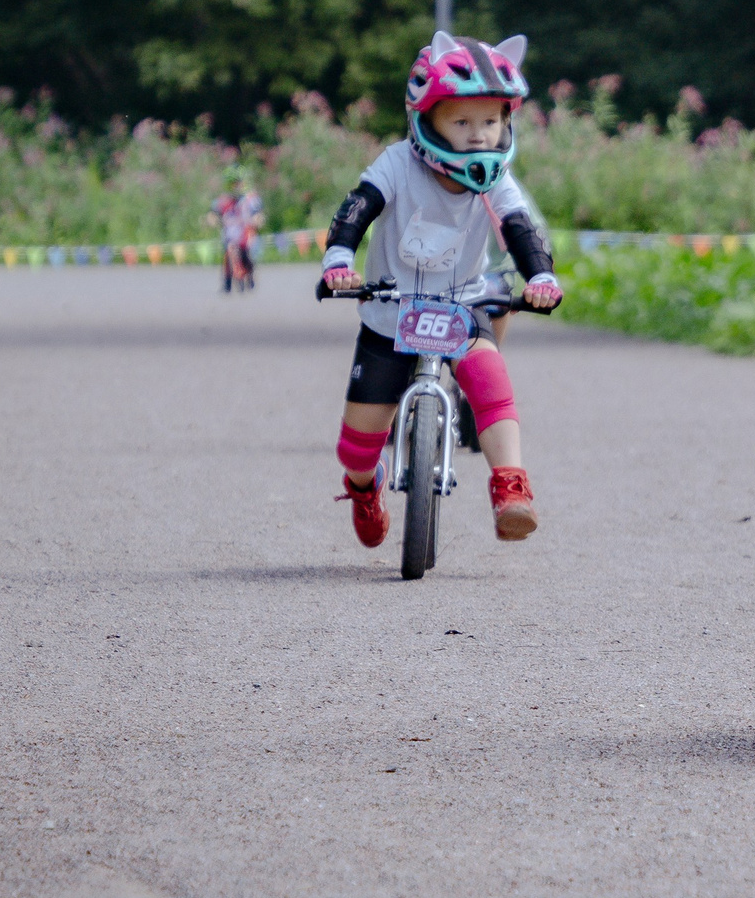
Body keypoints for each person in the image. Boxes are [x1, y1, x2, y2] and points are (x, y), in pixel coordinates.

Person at [318, 31, 565, 548]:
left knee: (489, 373)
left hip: (462, 303)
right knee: (357, 450)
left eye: (491, 121)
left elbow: (520, 227)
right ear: (425, 119)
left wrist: (540, 275)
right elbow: (357, 209)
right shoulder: (397, 164)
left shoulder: (494, 179)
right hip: (390, 310)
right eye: (461, 121)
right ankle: (365, 490)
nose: (479, 135)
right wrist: (339, 260)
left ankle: (510, 487)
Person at [213, 166, 264, 293]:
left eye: (238, 183)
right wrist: (213, 220)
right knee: (228, 254)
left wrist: (257, 220)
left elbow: (258, 214)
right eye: (233, 183)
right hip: (230, 233)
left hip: (245, 232)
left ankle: (250, 274)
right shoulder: (224, 199)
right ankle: (227, 282)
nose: (236, 186)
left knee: (247, 255)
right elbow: (214, 212)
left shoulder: (250, 199)